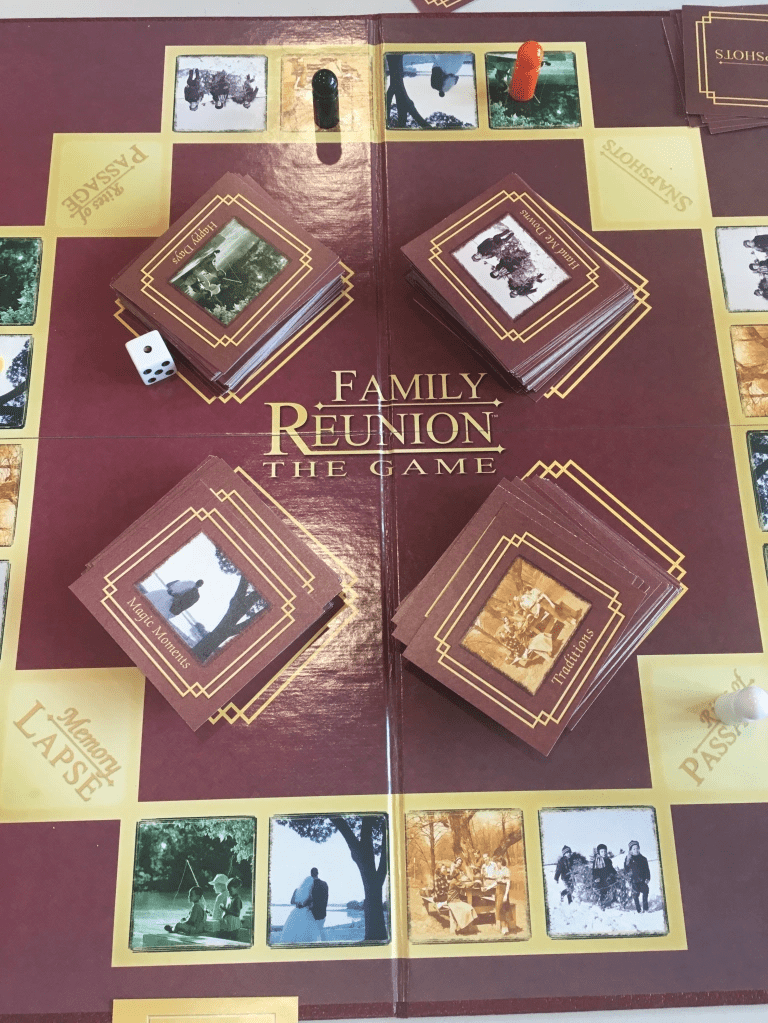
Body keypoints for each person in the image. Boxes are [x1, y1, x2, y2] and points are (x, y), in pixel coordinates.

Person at [278, 873, 318, 943]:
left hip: (296, 911)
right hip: (306, 911)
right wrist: (304, 904)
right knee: (305, 929)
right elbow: (310, 902)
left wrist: (298, 903)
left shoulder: (296, 890)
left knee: (293, 928)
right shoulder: (310, 893)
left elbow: (292, 901)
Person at [624, 841, 651, 913]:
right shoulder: (629, 859)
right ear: (630, 850)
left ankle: (645, 908)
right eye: (634, 849)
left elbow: (647, 870)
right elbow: (626, 869)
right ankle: (638, 909)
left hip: (642, 880)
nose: (636, 850)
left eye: (637, 848)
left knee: (645, 891)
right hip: (634, 880)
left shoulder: (643, 859)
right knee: (635, 895)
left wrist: (648, 878)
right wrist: (627, 861)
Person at [592, 844, 617, 910]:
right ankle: (602, 904)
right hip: (600, 879)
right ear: (599, 852)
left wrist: (615, 873)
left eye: (605, 851)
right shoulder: (596, 861)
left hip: (608, 878)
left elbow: (611, 868)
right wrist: (596, 877)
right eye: (602, 851)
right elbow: (594, 871)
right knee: (603, 891)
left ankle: (613, 901)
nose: (604, 853)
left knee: (613, 888)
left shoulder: (608, 860)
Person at [493, 855, 513, 935]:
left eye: (497, 862)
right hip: (498, 889)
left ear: (501, 862)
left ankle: (505, 927)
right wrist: (487, 887)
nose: (497, 864)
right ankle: (504, 927)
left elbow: (508, 883)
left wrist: (505, 895)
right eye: (496, 862)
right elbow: (496, 882)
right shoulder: (498, 870)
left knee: (503, 908)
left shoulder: (506, 870)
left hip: (503, 890)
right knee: (499, 908)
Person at [309, 867, 328, 941]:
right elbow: (326, 898)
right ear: (318, 873)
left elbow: (310, 899)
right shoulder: (325, 884)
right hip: (323, 913)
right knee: (321, 931)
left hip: (313, 914)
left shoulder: (311, 885)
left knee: (314, 934)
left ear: (311, 874)